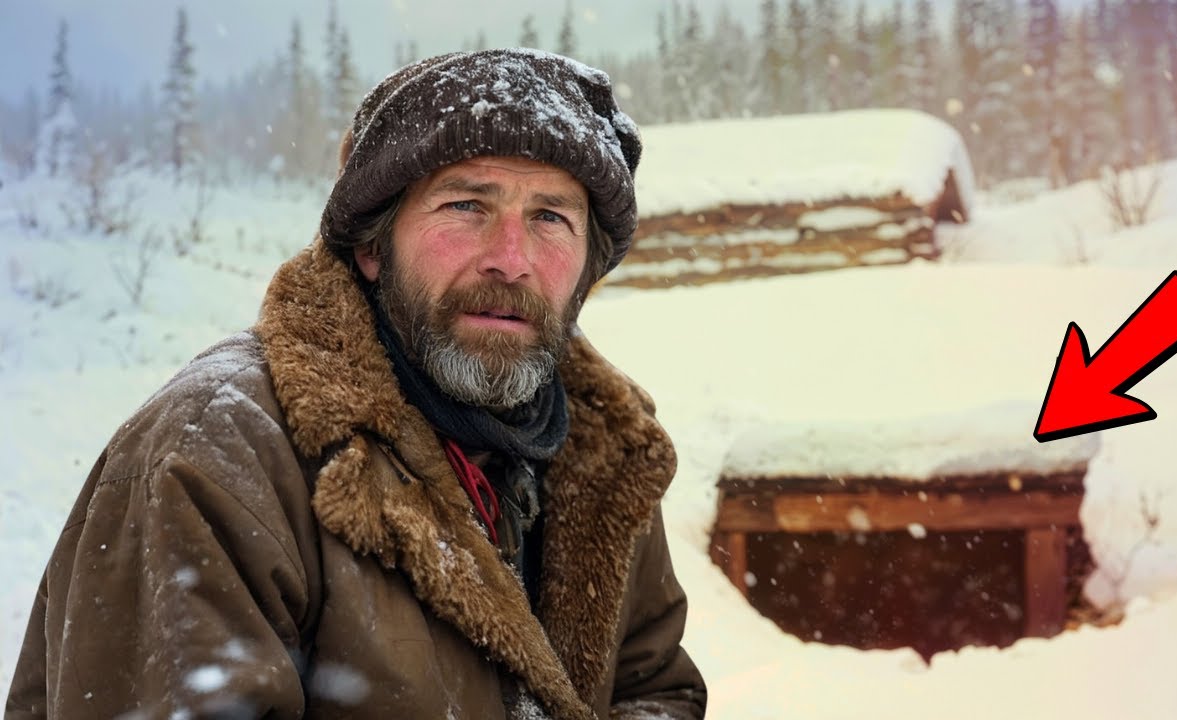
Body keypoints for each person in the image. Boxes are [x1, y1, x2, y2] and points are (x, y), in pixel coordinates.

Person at [6, 49, 706, 720]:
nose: (511, 259)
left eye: (550, 217)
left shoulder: (599, 451)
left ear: (587, 266)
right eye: (466, 206)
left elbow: (654, 685)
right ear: (372, 247)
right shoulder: (220, 452)